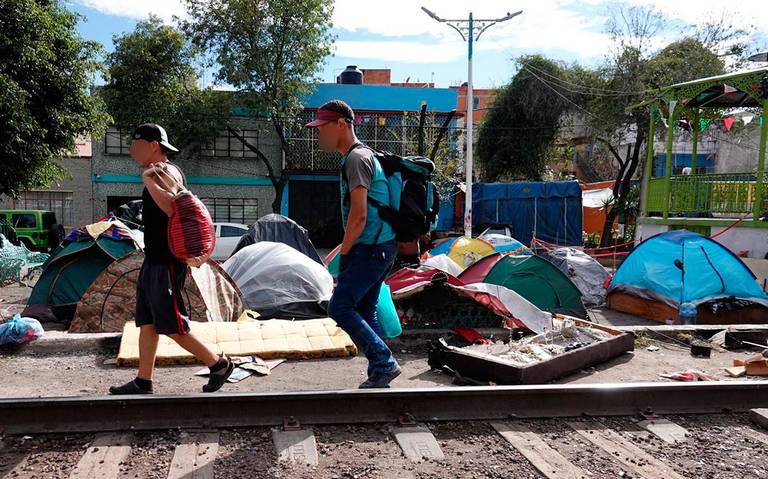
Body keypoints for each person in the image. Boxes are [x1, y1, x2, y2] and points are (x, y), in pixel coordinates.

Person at [109, 123, 233, 395]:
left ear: (154, 145)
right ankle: (144, 380)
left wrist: (148, 181)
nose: (132, 150)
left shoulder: (166, 171)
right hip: (154, 260)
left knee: (172, 324)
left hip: (166, 262)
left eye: (136, 144)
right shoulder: (156, 171)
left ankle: (218, 364)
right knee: (148, 323)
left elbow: (171, 208)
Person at [306, 100, 401, 388]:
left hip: (370, 247)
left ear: (342, 124)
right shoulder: (363, 156)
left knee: (340, 307)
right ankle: (380, 368)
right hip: (381, 246)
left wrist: (345, 251)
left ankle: (384, 361)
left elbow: (359, 215)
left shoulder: (356, 159)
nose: (319, 133)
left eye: (323, 127)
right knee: (364, 309)